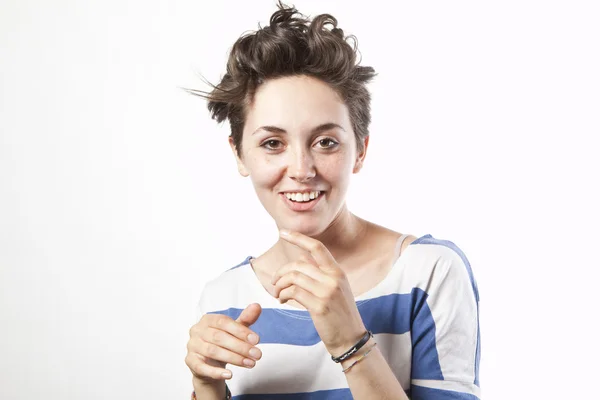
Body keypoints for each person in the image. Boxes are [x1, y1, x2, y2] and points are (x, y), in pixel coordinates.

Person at [184, 2, 481, 399]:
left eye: (326, 142)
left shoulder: (428, 274)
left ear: (360, 150)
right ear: (239, 154)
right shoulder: (224, 297)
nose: (302, 168)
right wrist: (206, 384)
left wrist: (351, 342)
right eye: (272, 143)